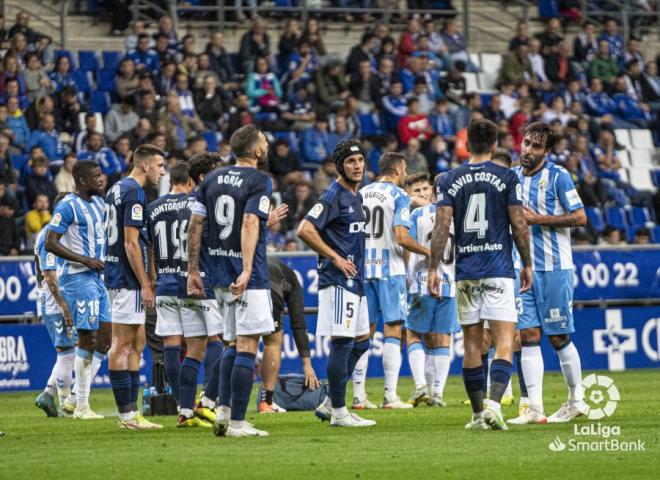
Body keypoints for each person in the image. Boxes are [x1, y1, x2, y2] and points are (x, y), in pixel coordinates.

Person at [429, 118, 532, 430]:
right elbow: (518, 224)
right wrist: (526, 262)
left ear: (466, 143)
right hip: (499, 268)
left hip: (466, 271)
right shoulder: (507, 177)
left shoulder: (448, 179)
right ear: (494, 145)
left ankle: (477, 415)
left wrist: (434, 267)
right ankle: (495, 405)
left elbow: (441, 226)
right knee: (504, 338)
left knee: (473, 344)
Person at [187, 125, 274, 438]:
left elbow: (195, 224)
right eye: (264, 141)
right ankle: (237, 421)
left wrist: (193, 270)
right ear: (256, 149)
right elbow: (250, 222)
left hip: (219, 274)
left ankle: (222, 412)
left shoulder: (211, 178)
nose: (266, 145)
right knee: (248, 345)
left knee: (232, 343)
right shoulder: (259, 180)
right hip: (245, 275)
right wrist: (248, 268)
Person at [509, 122, 589, 425]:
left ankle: (576, 400)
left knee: (558, 337)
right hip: (524, 269)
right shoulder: (513, 178)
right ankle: (535, 409)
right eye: (526, 143)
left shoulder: (558, 176)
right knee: (528, 335)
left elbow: (581, 216)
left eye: (536, 146)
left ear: (547, 151)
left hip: (556, 268)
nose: (528, 150)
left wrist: (539, 219)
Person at [297, 140, 376, 428]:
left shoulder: (355, 196)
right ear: (340, 165)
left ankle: (331, 403)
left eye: (360, 161)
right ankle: (340, 413)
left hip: (355, 279)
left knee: (363, 342)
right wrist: (335, 258)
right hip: (338, 280)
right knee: (342, 343)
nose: (357, 166)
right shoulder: (333, 195)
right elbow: (305, 229)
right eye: (351, 161)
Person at [353, 152, 428, 410]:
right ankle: (390, 396)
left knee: (365, 331)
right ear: (397, 169)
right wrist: (430, 252)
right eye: (404, 170)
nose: (405, 174)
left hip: (365, 270)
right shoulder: (398, 195)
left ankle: (358, 395)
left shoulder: (361, 193)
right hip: (390, 270)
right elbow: (401, 237)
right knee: (393, 330)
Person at [147, 161, 219, 428]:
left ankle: (182, 407)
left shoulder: (153, 208)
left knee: (172, 346)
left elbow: (149, 247)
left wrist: (151, 278)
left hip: (164, 283)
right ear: (191, 181)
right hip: (192, 281)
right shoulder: (197, 204)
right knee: (211, 343)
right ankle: (206, 402)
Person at [105, 144, 165, 430]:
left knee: (138, 343)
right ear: (145, 165)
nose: (162, 171)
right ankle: (127, 416)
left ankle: (131, 413)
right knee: (122, 343)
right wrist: (144, 283)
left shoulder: (117, 188)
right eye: (160, 165)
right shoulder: (134, 192)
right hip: (126, 279)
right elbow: (130, 243)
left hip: (124, 276)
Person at [44, 161, 111, 420]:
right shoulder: (67, 206)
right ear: (82, 181)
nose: (101, 179)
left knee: (106, 339)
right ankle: (82, 405)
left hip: (98, 277)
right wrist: (84, 259)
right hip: (77, 278)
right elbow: (51, 242)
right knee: (88, 338)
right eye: (96, 176)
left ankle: (73, 399)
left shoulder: (99, 204)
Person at [405, 174, 459, 407]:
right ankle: (438, 394)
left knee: (413, 334)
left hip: (423, 279)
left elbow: (407, 244)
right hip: (450, 283)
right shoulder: (457, 214)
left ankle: (420, 386)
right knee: (443, 338)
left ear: (434, 191)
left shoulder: (418, 214)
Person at [33, 195, 77, 417]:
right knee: (67, 354)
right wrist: (64, 307)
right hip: (53, 300)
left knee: (71, 351)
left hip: (55, 299)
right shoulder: (48, 236)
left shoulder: (56, 232)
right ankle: (65, 409)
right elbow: (50, 277)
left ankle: (48, 394)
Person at [259, 256, 320, 413]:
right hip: (268, 285)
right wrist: (307, 365)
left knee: (238, 342)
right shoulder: (291, 281)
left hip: (241, 281)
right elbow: (298, 323)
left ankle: (218, 400)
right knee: (272, 341)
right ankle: (267, 402)